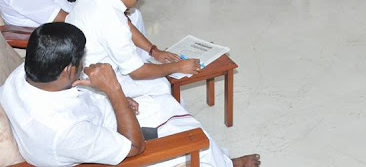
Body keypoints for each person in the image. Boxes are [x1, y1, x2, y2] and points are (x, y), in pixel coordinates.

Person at [0, 22, 261, 167]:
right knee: (195, 138)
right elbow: (135, 148)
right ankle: (226, 164)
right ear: (67, 70)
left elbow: (70, 100)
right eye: (80, 60)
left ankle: (223, 160)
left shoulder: (24, 75)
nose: (83, 63)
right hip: (111, 148)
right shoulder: (66, 132)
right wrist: (113, 91)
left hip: (97, 125)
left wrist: (116, 101)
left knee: (161, 102)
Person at [67, 0, 197, 98]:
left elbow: (127, 23)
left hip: (80, 66)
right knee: (162, 85)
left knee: (135, 17)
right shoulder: (112, 21)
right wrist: (178, 67)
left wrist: (154, 51)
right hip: (96, 82)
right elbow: (137, 72)